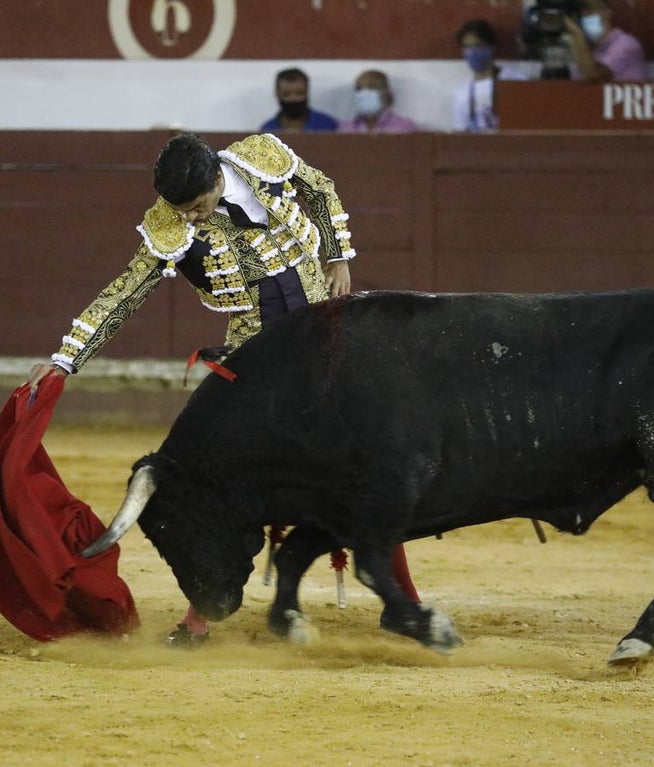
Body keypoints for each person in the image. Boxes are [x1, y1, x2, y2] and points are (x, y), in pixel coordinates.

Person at [28, 132, 421, 645]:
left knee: (369, 460)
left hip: (326, 338)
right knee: (228, 482)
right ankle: (199, 618)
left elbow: (320, 188)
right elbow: (124, 294)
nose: (191, 217)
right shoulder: (169, 224)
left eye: (198, 206)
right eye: (183, 211)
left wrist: (339, 255)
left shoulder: (261, 159)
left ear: (218, 177)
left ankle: (404, 603)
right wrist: (64, 360)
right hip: (255, 361)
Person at [451, 18, 524, 133]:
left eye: (478, 45)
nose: (473, 52)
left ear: (492, 47)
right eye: (468, 47)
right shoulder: (462, 93)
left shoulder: (516, 80)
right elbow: (460, 133)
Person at [563, 0, 647, 83]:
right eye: (582, 13)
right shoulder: (588, 48)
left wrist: (577, 34)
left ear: (607, 13)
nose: (585, 16)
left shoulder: (626, 44)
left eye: (590, 11)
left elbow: (594, 76)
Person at [259, 68, 339, 132]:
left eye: (299, 93)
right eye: (287, 94)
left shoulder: (328, 126)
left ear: (307, 93)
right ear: (277, 94)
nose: (293, 99)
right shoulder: (267, 130)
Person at [338, 69, 418, 133]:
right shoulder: (346, 128)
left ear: (385, 93)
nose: (364, 95)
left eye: (371, 88)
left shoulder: (403, 127)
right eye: (359, 89)